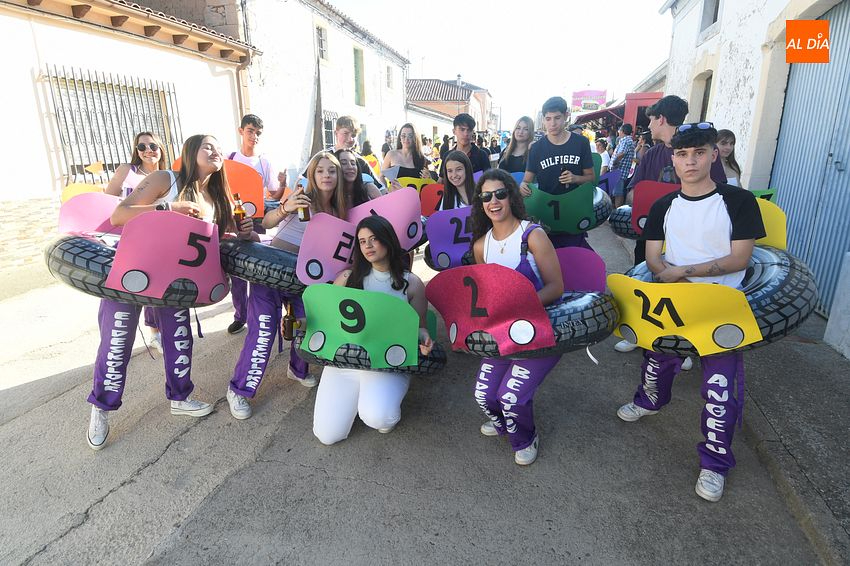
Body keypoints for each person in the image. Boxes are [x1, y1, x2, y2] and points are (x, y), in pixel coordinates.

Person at [616, 123, 765, 502]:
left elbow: (740, 257)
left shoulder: (738, 200)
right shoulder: (664, 204)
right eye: (682, 155)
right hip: (672, 304)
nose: (691, 161)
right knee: (656, 363)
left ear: (714, 154)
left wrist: (683, 271)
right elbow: (651, 256)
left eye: (699, 152)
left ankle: (715, 463)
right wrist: (667, 275)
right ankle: (649, 402)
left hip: (719, 309)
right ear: (673, 160)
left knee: (719, 390)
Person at [87, 134, 254, 450]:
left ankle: (180, 396)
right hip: (132, 269)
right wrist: (168, 207)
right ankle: (101, 407)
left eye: (219, 148)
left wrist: (243, 233)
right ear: (191, 153)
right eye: (208, 146)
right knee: (117, 342)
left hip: (175, 280)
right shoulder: (167, 178)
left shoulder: (217, 198)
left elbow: (213, 242)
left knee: (179, 338)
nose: (215, 151)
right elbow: (119, 215)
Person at [226, 151, 349, 419]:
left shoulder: (342, 210)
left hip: (306, 277)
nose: (326, 175)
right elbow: (267, 222)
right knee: (264, 331)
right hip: (272, 270)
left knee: (306, 325)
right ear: (312, 175)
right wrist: (285, 208)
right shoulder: (302, 196)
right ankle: (239, 390)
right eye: (321, 170)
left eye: (332, 171)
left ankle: (298, 369)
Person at [469, 169, 564, 465]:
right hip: (502, 333)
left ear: (511, 195)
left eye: (500, 194)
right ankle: (504, 423)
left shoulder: (532, 235)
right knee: (484, 395)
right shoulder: (480, 245)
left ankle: (524, 436)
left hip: (540, 332)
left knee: (510, 397)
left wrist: (520, 306)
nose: (493, 201)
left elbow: (556, 287)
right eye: (486, 196)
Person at [312, 215, 434, 444]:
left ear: (387, 240)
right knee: (328, 435)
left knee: (379, 418)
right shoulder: (347, 278)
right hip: (344, 361)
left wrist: (424, 339)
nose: (367, 245)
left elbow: (420, 328)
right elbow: (324, 321)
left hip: (386, 363)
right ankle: (358, 399)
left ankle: (377, 404)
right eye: (362, 241)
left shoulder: (412, 283)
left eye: (374, 239)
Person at [104, 131, 168, 351]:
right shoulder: (127, 171)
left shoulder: (168, 176)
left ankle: (156, 332)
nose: (148, 150)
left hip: (157, 239)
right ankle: (116, 340)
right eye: (142, 147)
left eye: (153, 145)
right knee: (123, 288)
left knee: (153, 284)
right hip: (128, 237)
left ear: (161, 148)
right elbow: (108, 200)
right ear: (136, 152)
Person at [225, 114, 285, 335]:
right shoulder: (229, 159)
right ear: (241, 131)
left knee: (257, 268)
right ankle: (240, 316)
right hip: (233, 221)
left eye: (258, 133)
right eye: (250, 131)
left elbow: (273, 194)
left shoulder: (265, 162)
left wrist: (283, 183)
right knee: (237, 271)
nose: (254, 136)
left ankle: (259, 316)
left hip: (257, 221)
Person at [521, 96, 595, 249]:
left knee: (575, 261)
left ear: (566, 116)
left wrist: (575, 178)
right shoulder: (536, 148)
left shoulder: (581, 143)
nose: (552, 124)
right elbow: (527, 180)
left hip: (574, 212)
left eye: (557, 118)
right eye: (548, 119)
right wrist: (523, 186)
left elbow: (591, 178)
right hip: (546, 215)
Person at [438, 113, 490, 181]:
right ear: (454, 131)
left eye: (469, 130)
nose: (466, 134)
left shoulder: (481, 155)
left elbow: (487, 181)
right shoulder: (447, 156)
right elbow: (441, 180)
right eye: (462, 129)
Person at [610, 123, 636, 208]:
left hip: (619, 170)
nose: (618, 132)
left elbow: (621, 154)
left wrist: (614, 164)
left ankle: (618, 211)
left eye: (619, 130)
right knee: (618, 192)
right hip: (622, 171)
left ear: (623, 131)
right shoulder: (628, 140)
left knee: (618, 193)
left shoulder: (625, 140)